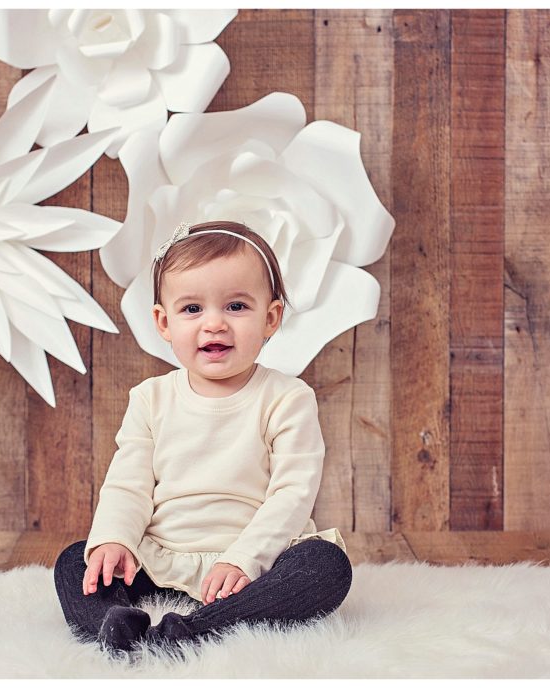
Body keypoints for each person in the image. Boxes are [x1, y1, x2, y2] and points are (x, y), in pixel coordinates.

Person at [53, 220, 353, 654]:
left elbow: (292, 493)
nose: (214, 324)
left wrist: (244, 558)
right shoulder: (151, 398)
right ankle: (114, 625)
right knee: (76, 561)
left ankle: (194, 630)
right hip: (158, 559)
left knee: (327, 567)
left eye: (236, 306)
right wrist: (115, 539)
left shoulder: (288, 397)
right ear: (164, 322)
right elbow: (128, 483)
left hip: (254, 561)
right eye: (192, 309)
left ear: (271, 318)